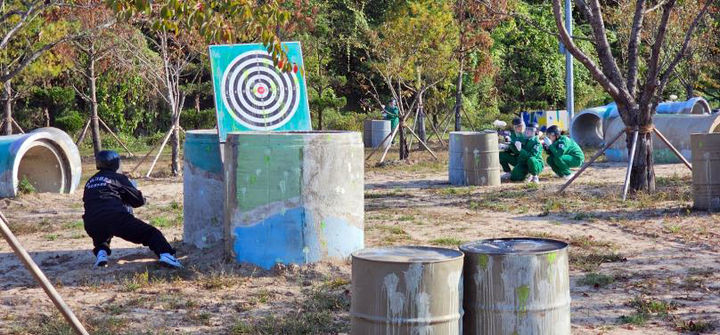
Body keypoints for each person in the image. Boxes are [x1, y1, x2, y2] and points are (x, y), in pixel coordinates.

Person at [83, 150, 182, 268]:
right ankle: (166, 255)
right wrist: (134, 189)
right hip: (115, 218)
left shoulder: (89, 181)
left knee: (102, 228)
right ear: (115, 164)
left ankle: (101, 254)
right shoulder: (118, 178)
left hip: (90, 222)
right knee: (151, 233)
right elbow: (137, 201)